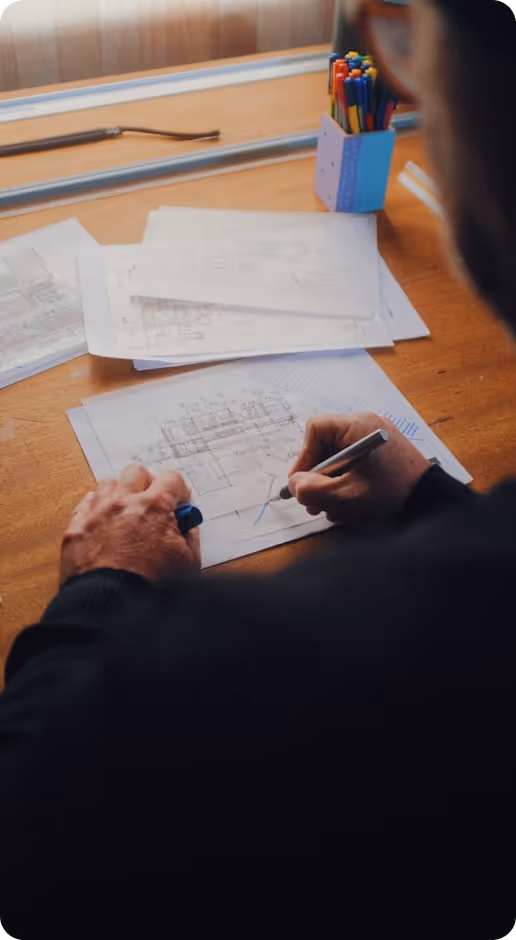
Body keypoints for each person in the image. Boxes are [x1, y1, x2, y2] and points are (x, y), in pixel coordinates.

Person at [1, 1, 515, 937]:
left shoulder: (266, 662)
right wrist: (436, 499)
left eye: (408, 46)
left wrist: (106, 587)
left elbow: (28, 814)